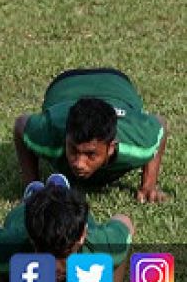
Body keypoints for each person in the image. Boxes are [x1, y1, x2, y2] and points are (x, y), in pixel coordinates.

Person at [13, 67, 168, 202]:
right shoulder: (51, 133)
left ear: (111, 147)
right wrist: (31, 185)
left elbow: (160, 124)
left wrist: (148, 184)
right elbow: (21, 125)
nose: (79, 163)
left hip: (116, 83)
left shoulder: (138, 143)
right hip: (65, 85)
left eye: (90, 154)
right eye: (73, 150)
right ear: (65, 139)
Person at [0, 175, 133, 282]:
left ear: (83, 236)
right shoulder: (13, 248)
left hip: (74, 222)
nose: (54, 267)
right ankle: (35, 194)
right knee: (32, 202)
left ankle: (56, 188)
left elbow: (125, 222)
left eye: (64, 255)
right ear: (31, 240)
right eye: (45, 255)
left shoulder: (103, 245)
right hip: (22, 214)